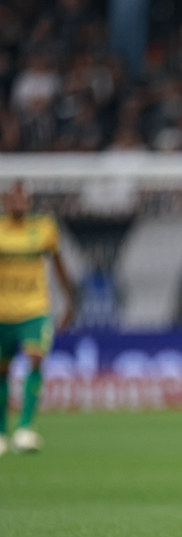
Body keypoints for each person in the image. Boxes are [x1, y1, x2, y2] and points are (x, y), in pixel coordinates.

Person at [0, 181, 76, 455]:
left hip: (34, 309)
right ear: (5, 201)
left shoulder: (43, 228)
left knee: (35, 358)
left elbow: (59, 265)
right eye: (14, 198)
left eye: (24, 198)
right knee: (2, 370)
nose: (19, 203)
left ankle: (25, 429)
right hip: (2, 312)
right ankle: (1, 433)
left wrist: (70, 300)